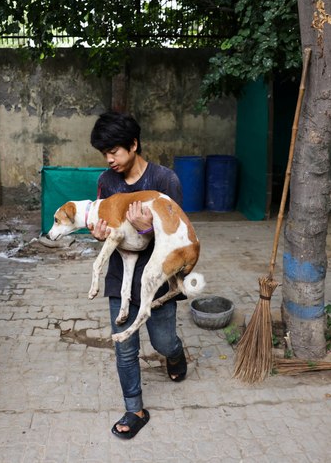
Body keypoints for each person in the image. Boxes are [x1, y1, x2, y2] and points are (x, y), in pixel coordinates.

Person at [88, 111, 188, 440]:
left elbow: (178, 237)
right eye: (104, 153)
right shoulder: (107, 182)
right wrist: (99, 234)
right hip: (120, 278)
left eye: (114, 151)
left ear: (133, 145)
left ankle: (175, 352)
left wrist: (147, 229)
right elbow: (107, 229)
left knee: (161, 341)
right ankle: (135, 408)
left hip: (157, 280)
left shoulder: (165, 181)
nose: (109, 159)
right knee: (125, 347)